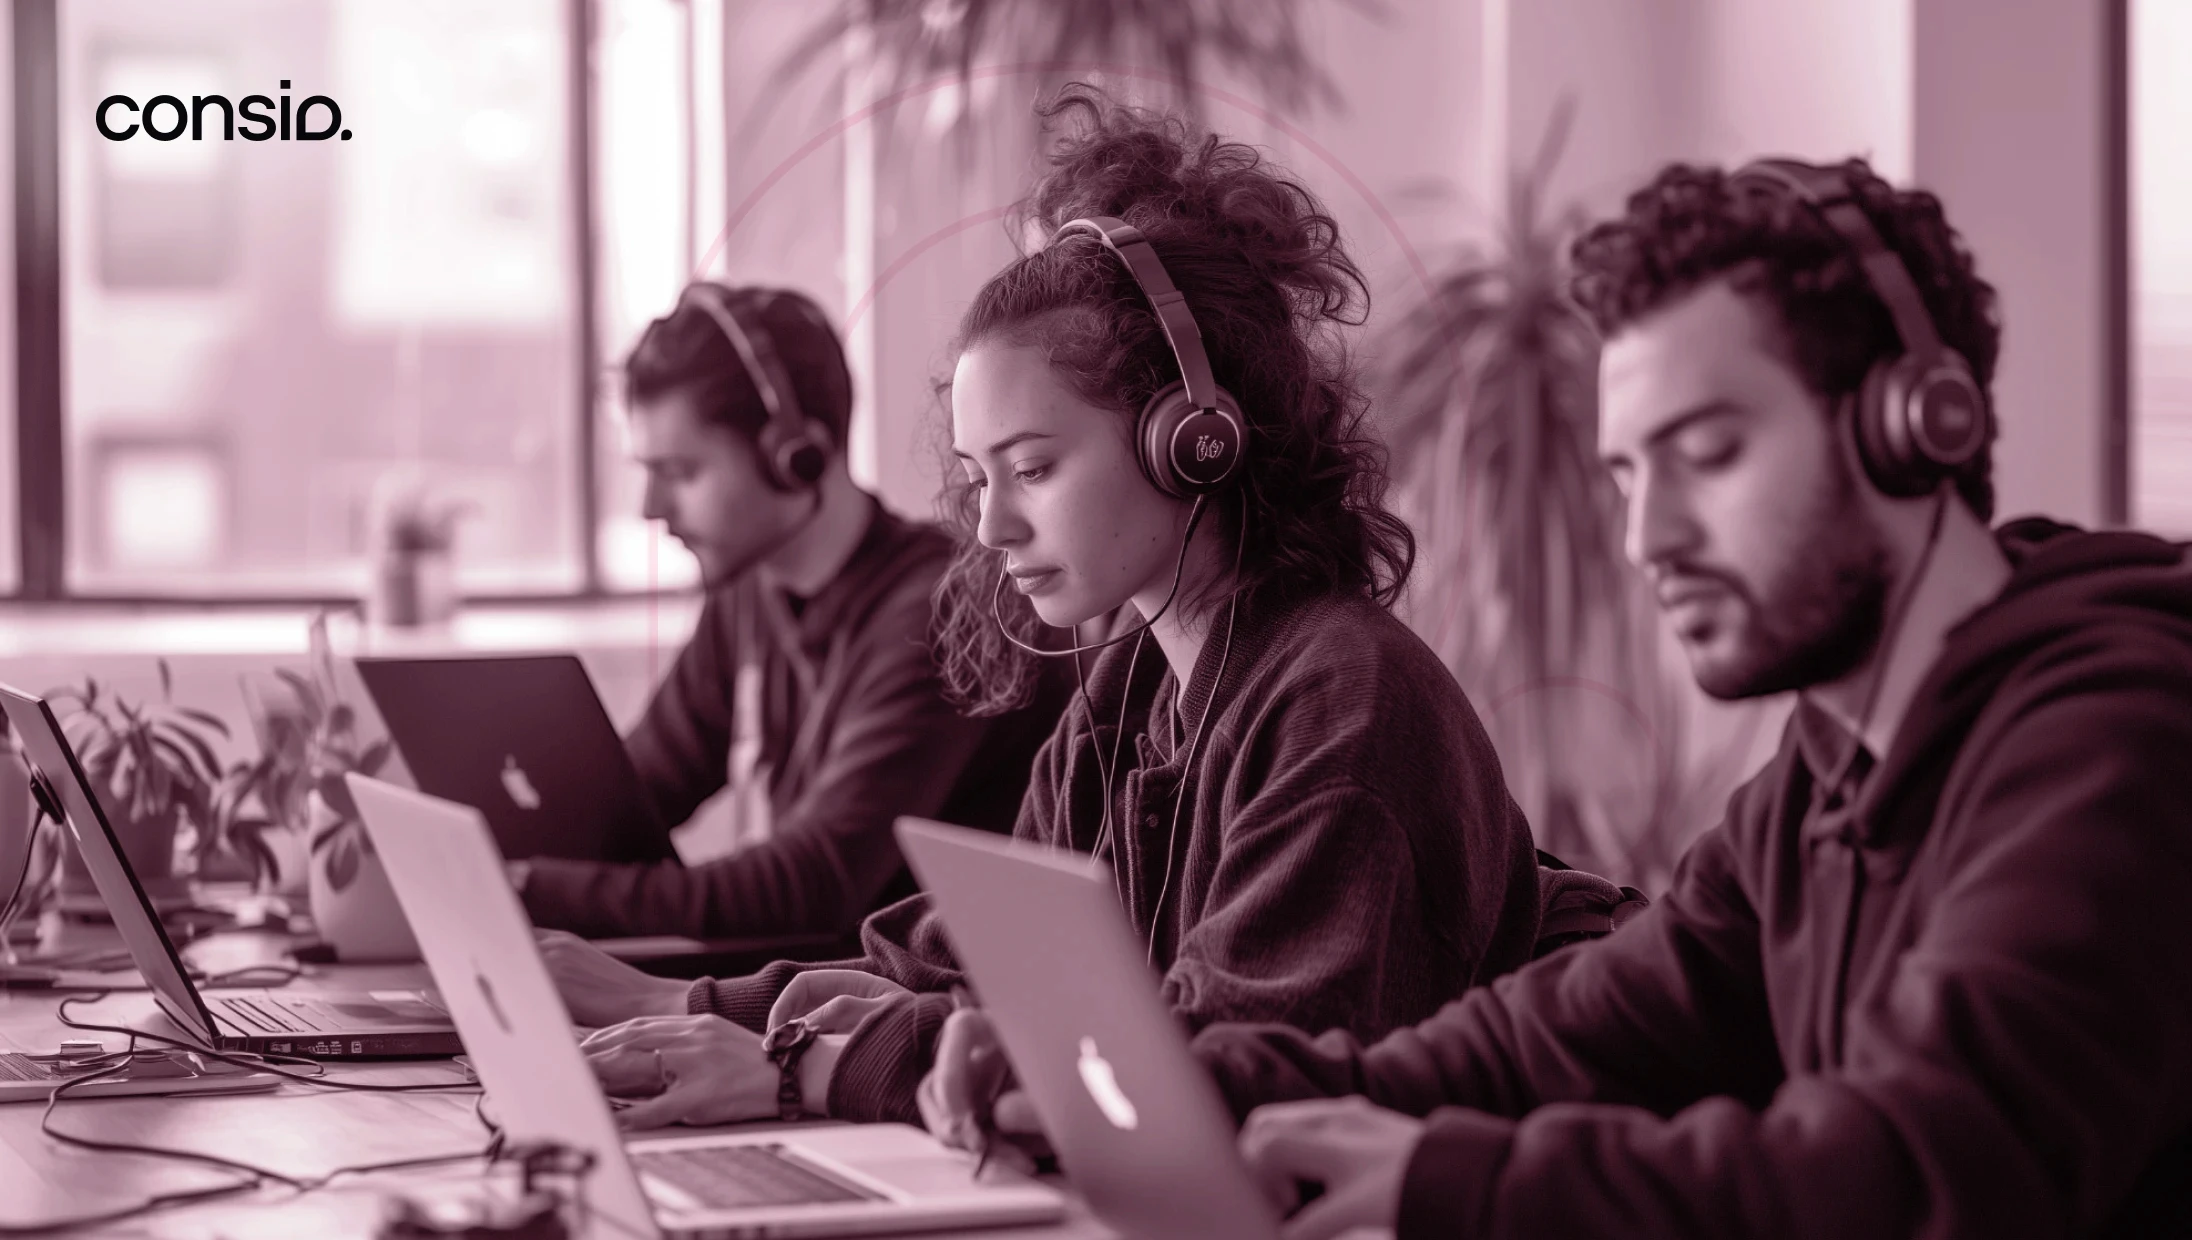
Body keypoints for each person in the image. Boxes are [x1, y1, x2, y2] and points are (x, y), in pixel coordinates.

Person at [930, 155, 2192, 1238]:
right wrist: (1175, 1088)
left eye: (1708, 454)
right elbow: (1544, 1044)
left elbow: (1915, 1169)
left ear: (1915, 424)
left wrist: (1445, 1179)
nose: (1649, 535)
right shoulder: (1821, 779)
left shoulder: (2108, 746)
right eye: (1629, 474)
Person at [539, 85, 1544, 1133]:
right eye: (979, 479)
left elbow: (1221, 1075)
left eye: (1032, 468)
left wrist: (803, 1066)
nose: (992, 528)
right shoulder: (1125, 692)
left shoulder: (1343, 704)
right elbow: (961, 965)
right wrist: (716, 1013)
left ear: (1192, 439)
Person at [510, 283, 1068, 941]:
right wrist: (488, 849)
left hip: (896, 1011)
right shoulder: (747, 596)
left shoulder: (942, 611)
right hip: (796, 994)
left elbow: (812, 885)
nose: (651, 508)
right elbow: (636, 795)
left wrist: (529, 889)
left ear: (797, 455)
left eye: (681, 471)